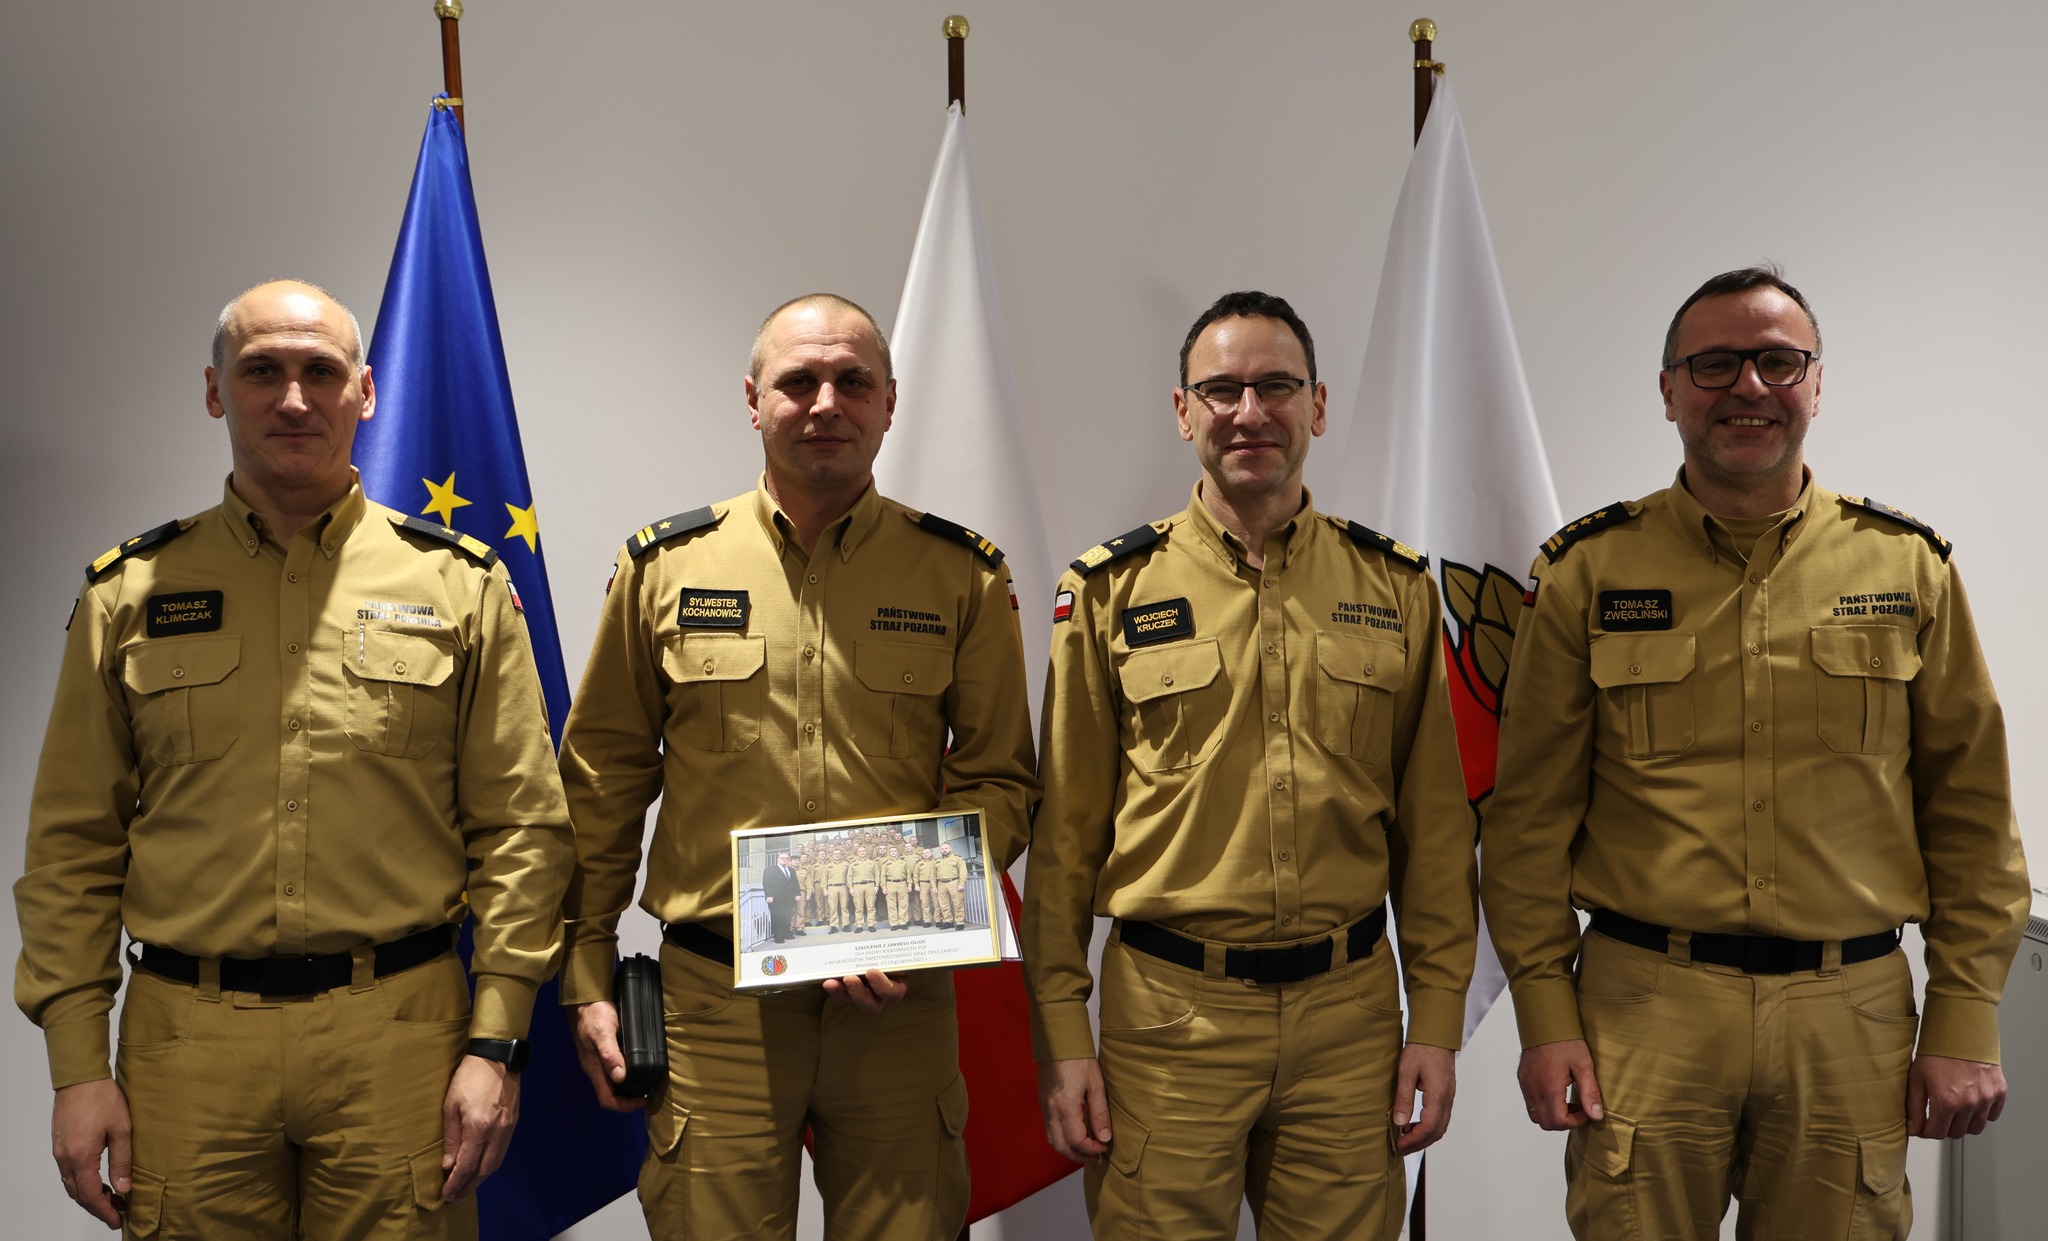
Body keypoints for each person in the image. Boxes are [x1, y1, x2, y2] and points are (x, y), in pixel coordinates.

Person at [12, 280, 574, 1238]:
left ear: (367, 392)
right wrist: (76, 1066)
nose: (293, 398)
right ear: (214, 391)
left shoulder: (460, 584)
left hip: (400, 1039)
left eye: (321, 371)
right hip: (189, 1048)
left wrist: (497, 1042)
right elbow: (71, 846)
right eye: (261, 370)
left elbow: (523, 830)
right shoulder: (129, 592)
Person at [1481, 266, 2030, 1239]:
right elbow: (1526, 824)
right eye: (1714, 364)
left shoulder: (1907, 567)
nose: (1748, 386)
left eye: (1778, 362)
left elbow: (1973, 819)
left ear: (1816, 384)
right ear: (1667, 390)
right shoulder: (1586, 571)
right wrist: (1544, 1013)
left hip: (1848, 1012)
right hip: (1643, 1009)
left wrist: (1963, 1016)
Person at [555, 293, 1038, 1240]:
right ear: (753, 400)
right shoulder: (664, 567)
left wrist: (907, 923)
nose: (826, 403)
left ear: (889, 401)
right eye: (799, 381)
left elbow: (1001, 781)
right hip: (715, 1006)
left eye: (852, 382)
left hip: (897, 1007)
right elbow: (602, 782)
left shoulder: (962, 575)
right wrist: (586, 966)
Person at [1024, 290, 1477, 1239]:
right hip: (1169, 1019)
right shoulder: (1109, 590)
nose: (1248, 411)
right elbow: (1063, 841)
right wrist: (1062, 1034)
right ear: (1182, 410)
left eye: (1276, 386)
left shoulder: (1394, 585)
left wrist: (1436, 1020)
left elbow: (1435, 833)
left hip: (1350, 1021)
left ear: (1318, 405)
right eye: (1221, 389)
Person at [764, 851, 801, 943]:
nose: (784, 860)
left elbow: (795, 883)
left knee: (787, 916)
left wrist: (797, 893)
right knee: (777, 917)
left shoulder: (791, 870)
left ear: (789, 860)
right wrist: (769, 895)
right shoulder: (770, 870)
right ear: (778, 859)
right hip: (776, 899)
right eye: (782, 858)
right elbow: (766, 884)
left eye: (786, 858)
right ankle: (778, 937)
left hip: (789, 899)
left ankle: (786, 934)